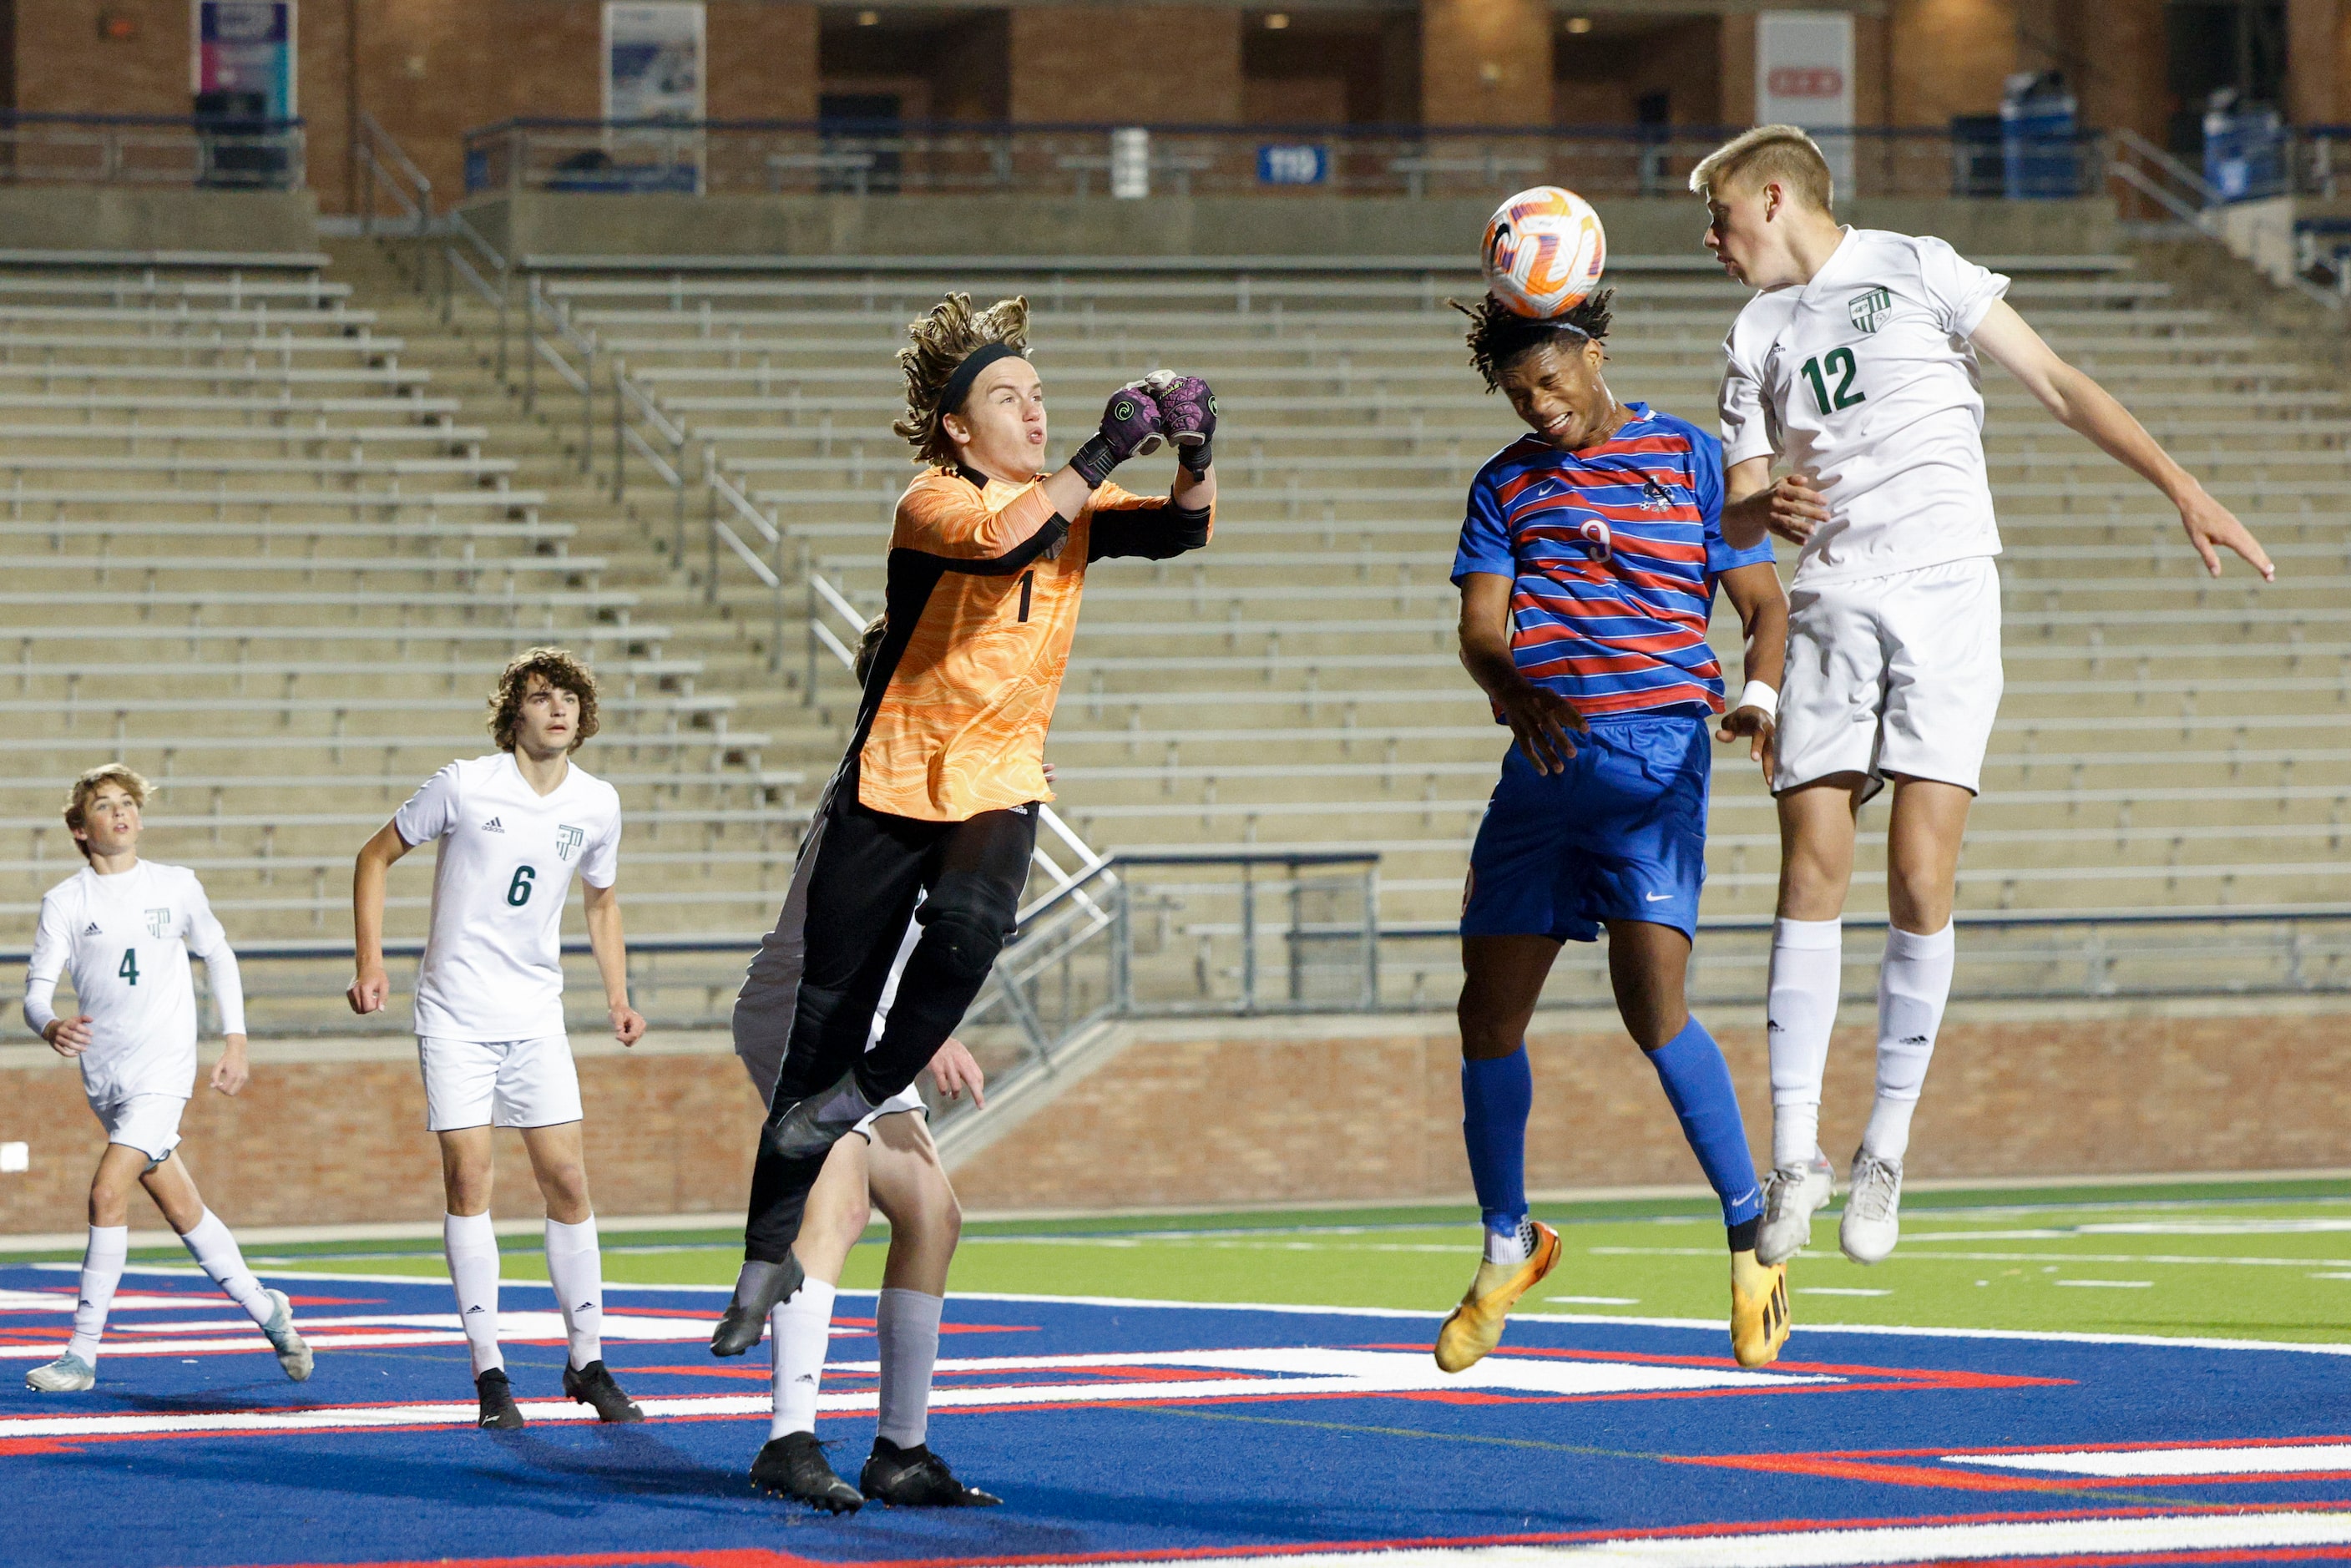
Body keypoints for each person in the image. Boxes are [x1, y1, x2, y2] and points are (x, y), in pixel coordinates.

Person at [1691, 125, 2274, 1266]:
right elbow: (1739, 508)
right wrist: (1773, 514)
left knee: (1920, 870)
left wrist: (2181, 485)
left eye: (1720, 219)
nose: (1712, 242)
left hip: (1951, 588)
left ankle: (1886, 1146)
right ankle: (1796, 1152)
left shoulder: (1922, 265)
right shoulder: (1754, 330)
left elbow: (2054, 381)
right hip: (1835, 599)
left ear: (1772, 196)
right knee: (1812, 860)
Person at [710, 295, 1218, 1354]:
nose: (1032, 412)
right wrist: (1096, 450)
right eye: (1007, 397)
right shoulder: (931, 500)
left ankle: (869, 1086)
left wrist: (1192, 449)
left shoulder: (1069, 497)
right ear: (956, 425)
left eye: (1039, 396)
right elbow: (996, 546)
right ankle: (763, 1263)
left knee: (972, 933)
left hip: (996, 776)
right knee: (815, 1033)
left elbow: (1177, 530)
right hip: (893, 780)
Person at [1443, 288, 1793, 1373]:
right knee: (1486, 1016)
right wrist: (1512, 680)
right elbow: (1478, 632)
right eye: (1518, 393)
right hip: (1541, 771)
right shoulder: (1505, 484)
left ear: (1594, 355)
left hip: (1655, 762)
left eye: (1550, 381)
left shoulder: (1690, 458)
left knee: (1654, 1008)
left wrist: (1760, 698)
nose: (1537, 406)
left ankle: (1753, 1235)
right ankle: (1509, 1239)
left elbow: (1765, 606)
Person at [731, 614, 1004, 1515]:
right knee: (840, 1203)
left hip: (868, 1006)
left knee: (932, 1212)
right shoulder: (888, 770)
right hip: (805, 1005)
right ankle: (788, 1439)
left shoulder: (929, 762)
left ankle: (900, 1451)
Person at [346, 647, 647, 1429]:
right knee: (468, 1181)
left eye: (569, 699)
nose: (558, 709)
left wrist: (619, 995)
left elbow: (602, 903)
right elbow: (373, 857)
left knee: (569, 1182)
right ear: (513, 710)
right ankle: (490, 1375)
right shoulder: (464, 783)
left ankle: (587, 1362)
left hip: (535, 1015)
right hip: (453, 1014)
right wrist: (371, 962)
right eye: (541, 696)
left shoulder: (597, 803)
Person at [22, 763, 312, 1393]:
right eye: (104, 805)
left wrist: (236, 1038)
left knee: (106, 1190)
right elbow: (35, 994)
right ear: (79, 828)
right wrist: (49, 1027)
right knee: (183, 1210)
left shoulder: (176, 886)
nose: (120, 813)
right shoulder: (66, 902)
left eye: (128, 803)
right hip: (107, 1080)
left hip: (164, 1070)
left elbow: (218, 953)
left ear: (141, 818)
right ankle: (270, 1312)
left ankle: (82, 1354)